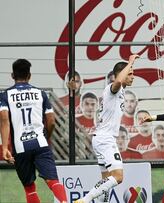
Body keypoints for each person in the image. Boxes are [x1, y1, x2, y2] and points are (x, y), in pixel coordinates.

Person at [74, 54, 139, 203]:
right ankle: (84, 200)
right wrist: (130, 62)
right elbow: (118, 81)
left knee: (106, 181)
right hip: (105, 139)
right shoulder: (112, 89)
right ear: (120, 75)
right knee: (118, 176)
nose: (133, 77)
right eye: (130, 73)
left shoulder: (120, 92)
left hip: (101, 138)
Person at [0, 59, 67, 203]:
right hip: (41, 143)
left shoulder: (6, 95)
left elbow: (4, 119)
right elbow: (52, 121)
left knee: (29, 187)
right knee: (52, 180)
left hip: (20, 146)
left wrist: (5, 147)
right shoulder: (40, 94)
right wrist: (46, 136)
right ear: (29, 75)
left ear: (12, 75)